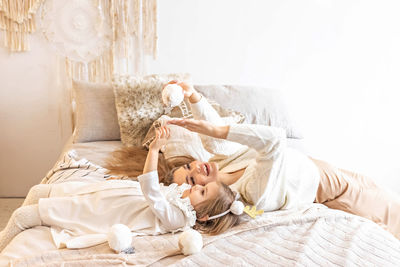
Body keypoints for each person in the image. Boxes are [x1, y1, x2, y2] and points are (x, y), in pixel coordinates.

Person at [163, 80, 400, 239]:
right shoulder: (249, 194)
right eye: (194, 181)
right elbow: (275, 140)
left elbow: (218, 143)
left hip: (318, 169)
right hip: (329, 188)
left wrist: (192, 97)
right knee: (391, 220)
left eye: (188, 166)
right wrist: (217, 131)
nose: (196, 168)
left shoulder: (222, 166)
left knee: (385, 201)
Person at [0, 127, 241, 252]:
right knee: (37, 191)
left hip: (103, 211)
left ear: (203, 215)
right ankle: (8, 237)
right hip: (108, 195)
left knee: (23, 216)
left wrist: (155, 150)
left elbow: (150, 190)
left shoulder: (178, 218)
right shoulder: (180, 199)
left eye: (202, 192)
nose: (196, 187)